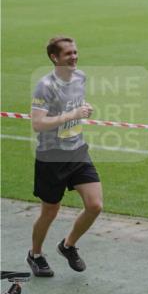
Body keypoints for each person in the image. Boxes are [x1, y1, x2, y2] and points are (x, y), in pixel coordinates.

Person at [27, 37, 102, 277]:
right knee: (50, 211)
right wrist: (73, 114)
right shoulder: (45, 85)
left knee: (95, 205)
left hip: (78, 151)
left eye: (75, 52)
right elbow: (38, 124)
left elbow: (73, 106)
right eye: (68, 53)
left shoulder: (80, 77)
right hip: (52, 157)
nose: (74, 57)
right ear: (54, 57)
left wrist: (83, 109)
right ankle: (35, 254)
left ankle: (67, 245)